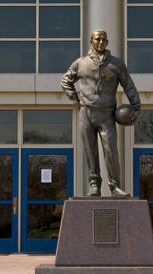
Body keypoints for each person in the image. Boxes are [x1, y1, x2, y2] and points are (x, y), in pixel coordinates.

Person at [60, 30, 141, 197]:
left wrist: (136, 105)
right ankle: (94, 185)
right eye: (98, 39)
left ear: (107, 41)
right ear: (91, 41)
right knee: (90, 151)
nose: (101, 41)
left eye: (104, 39)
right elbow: (65, 80)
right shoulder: (81, 63)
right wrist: (74, 97)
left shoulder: (116, 64)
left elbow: (129, 86)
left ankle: (115, 186)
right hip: (86, 112)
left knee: (111, 150)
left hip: (107, 114)